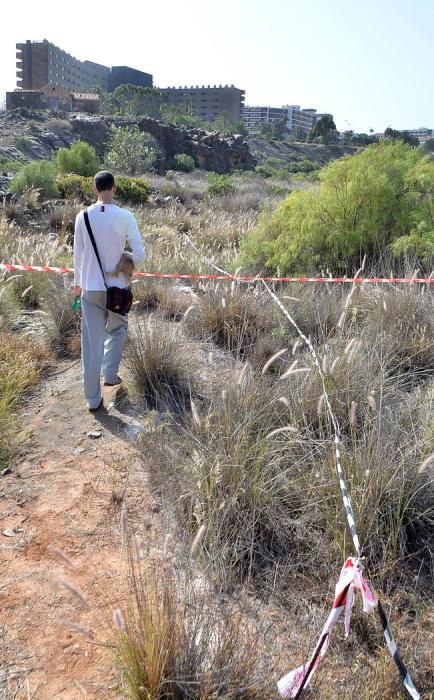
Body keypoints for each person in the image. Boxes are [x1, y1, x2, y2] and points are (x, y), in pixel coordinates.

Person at [73, 171, 145, 412]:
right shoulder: (126, 216)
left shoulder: (82, 217)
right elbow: (140, 255)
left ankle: (93, 400)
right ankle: (110, 374)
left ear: (95, 189)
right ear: (114, 188)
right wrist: (127, 267)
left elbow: (78, 257)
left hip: (90, 288)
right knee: (118, 329)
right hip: (118, 289)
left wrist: (77, 284)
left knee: (91, 345)